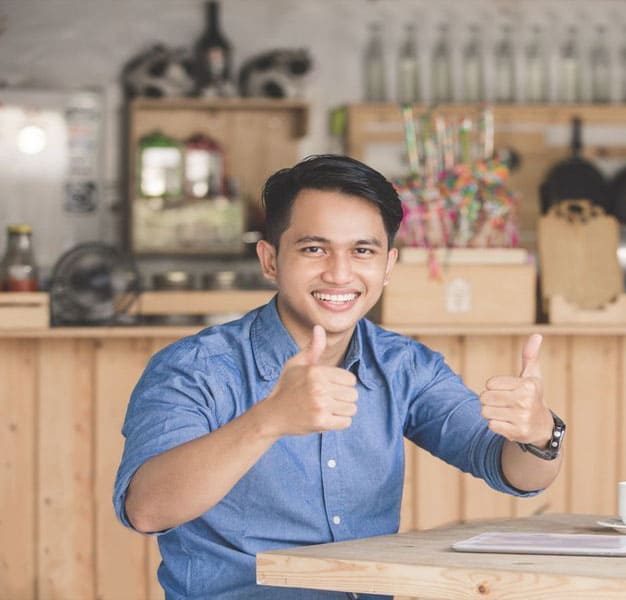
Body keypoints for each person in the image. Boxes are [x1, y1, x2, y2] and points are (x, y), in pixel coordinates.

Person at [113, 155, 565, 599]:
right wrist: (268, 420)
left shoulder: (403, 365)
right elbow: (146, 509)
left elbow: (514, 470)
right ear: (270, 260)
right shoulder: (195, 367)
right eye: (314, 249)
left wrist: (540, 433)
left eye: (362, 251)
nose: (340, 273)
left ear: (388, 266)